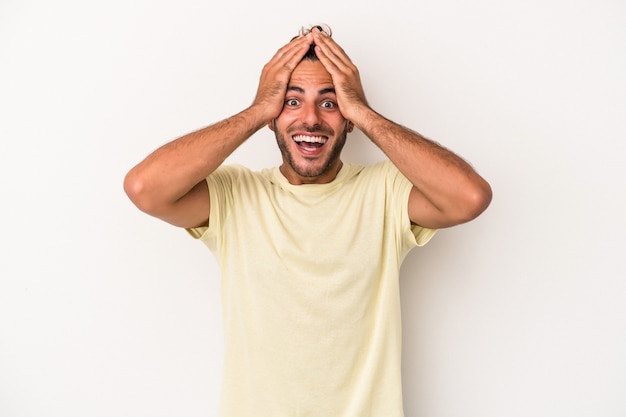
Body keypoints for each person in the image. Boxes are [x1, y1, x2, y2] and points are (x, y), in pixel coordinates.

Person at [124, 24, 492, 417]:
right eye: (292, 101)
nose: (311, 119)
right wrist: (255, 110)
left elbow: (469, 197)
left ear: (349, 118)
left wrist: (365, 112)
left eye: (330, 103)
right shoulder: (236, 195)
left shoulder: (383, 192)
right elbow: (145, 188)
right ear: (272, 117)